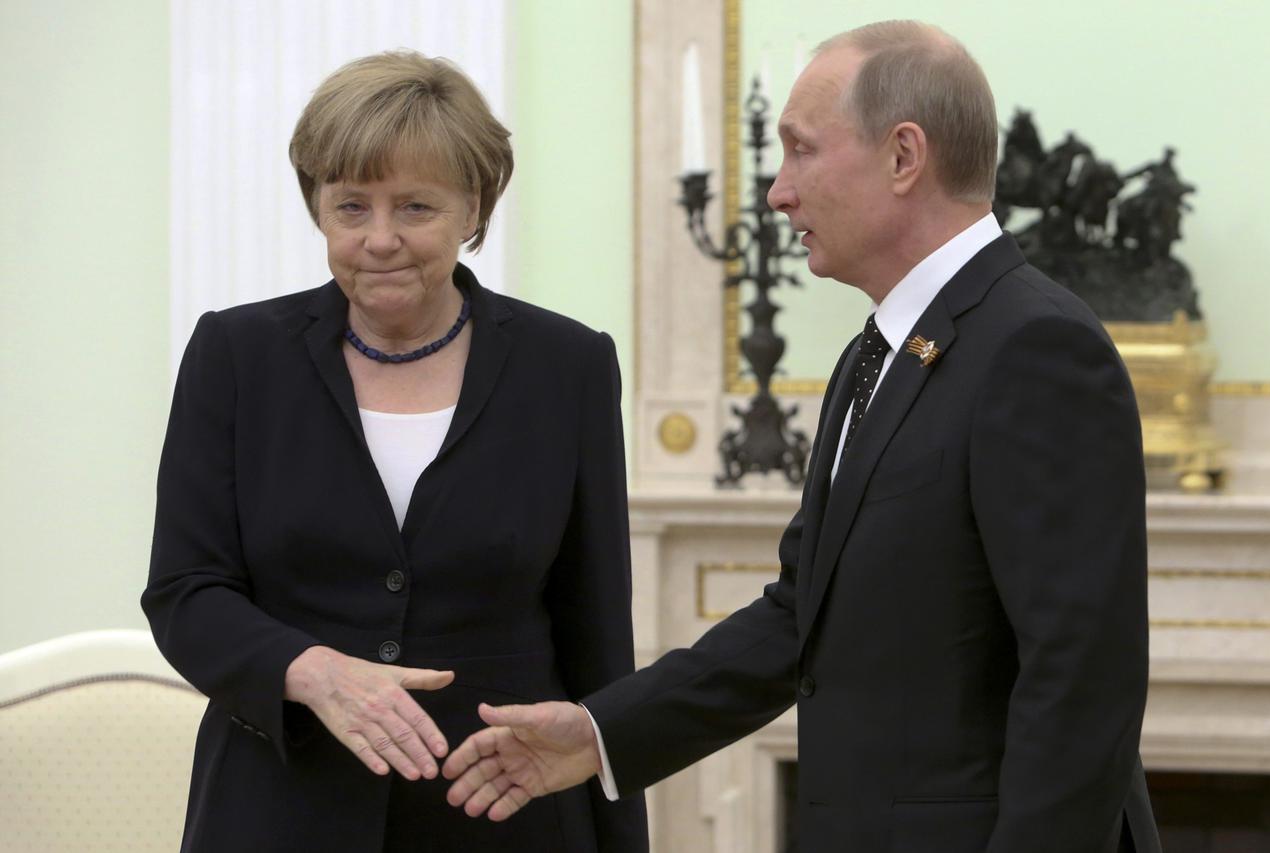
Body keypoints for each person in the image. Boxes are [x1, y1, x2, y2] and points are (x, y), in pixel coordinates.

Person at [443, 21, 1161, 853]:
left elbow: (1082, 680)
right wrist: (601, 733)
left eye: (802, 151)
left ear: (903, 157)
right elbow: (800, 617)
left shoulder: (1035, 348)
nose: (779, 193)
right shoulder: (876, 354)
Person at [142, 51, 646, 852]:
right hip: (279, 806)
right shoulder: (236, 355)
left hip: (503, 813)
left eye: (415, 206)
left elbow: (596, 637)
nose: (380, 240)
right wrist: (315, 671)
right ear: (317, 207)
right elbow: (184, 592)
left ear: (473, 207)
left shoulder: (569, 366)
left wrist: (619, 830)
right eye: (351, 207)